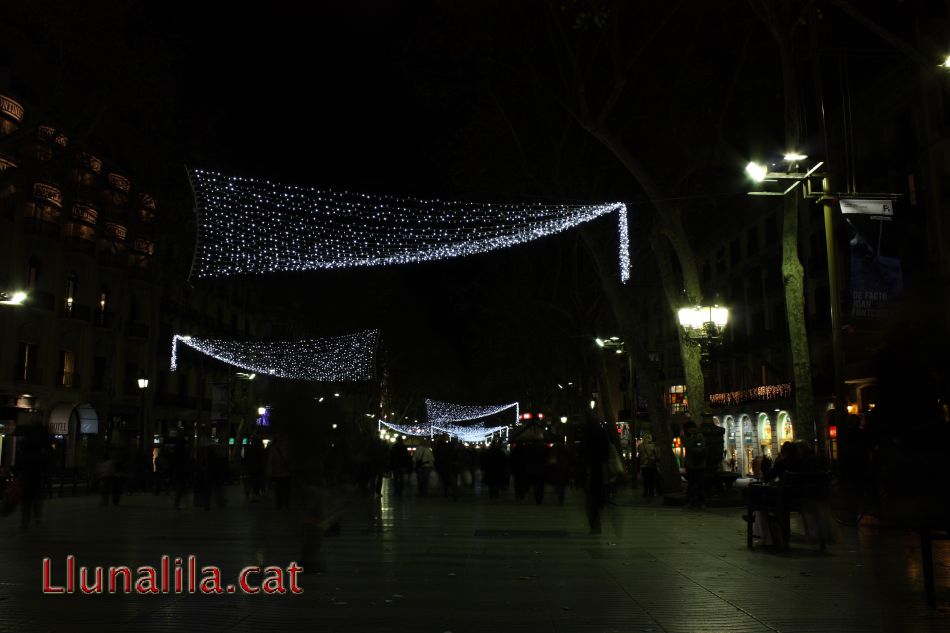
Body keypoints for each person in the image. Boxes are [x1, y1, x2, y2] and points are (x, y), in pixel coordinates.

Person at [582, 416, 609, 534]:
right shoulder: (602, 432)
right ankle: (597, 521)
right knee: (597, 496)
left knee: (590, 498)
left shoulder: (586, 433)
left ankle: (594, 523)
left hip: (591, 468)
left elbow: (583, 451)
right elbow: (606, 451)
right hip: (600, 468)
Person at [682, 421, 707, 509]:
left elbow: (702, 448)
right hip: (690, 465)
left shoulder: (700, 436)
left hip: (700, 464)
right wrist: (694, 445)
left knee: (700, 484)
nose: (691, 430)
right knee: (691, 484)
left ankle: (701, 502)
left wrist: (694, 449)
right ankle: (691, 502)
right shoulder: (685, 437)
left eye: (692, 428)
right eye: (689, 428)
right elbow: (688, 446)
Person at [639, 432, 660, 498]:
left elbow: (640, 453)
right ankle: (651, 492)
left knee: (645, 479)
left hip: (644, 464)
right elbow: (657, 455)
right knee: (652, 479)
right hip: (652, 464)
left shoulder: (641, 446)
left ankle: (645, 492)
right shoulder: (653, 445)